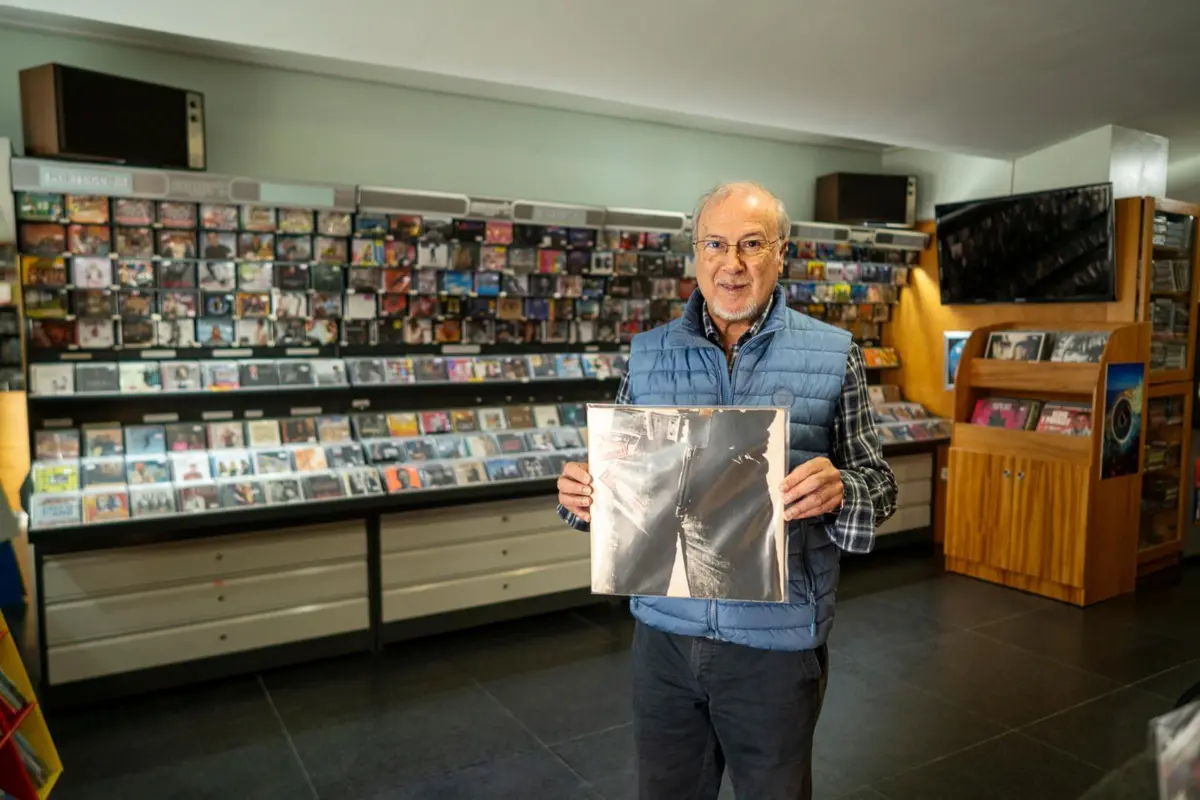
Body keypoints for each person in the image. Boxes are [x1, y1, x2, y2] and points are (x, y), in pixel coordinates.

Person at [557, 182, 897, 800]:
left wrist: (842, 490)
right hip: (663, 638)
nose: (731, 264)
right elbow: (622, 485)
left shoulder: (833, 353)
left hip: (775, 645)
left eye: (751, 244)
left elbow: (879, 485)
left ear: (782, 253)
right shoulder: (650, 354)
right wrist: (583, 495)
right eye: (715, 244)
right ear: (695, 252)